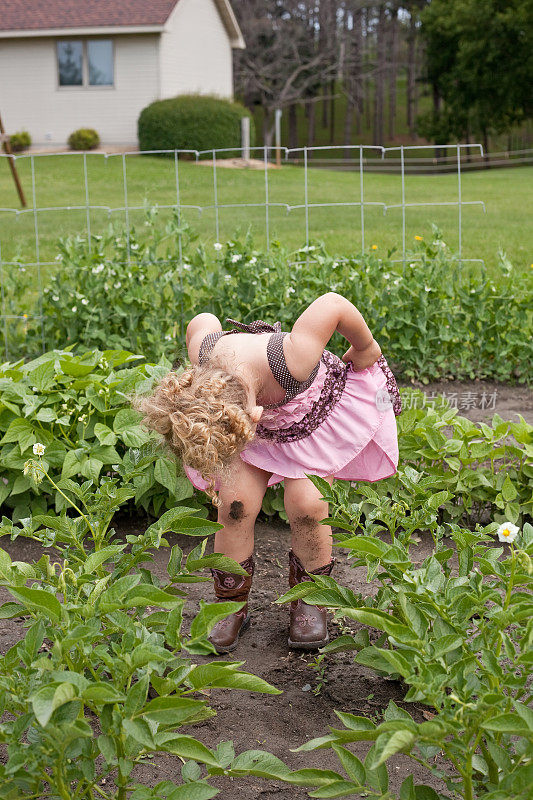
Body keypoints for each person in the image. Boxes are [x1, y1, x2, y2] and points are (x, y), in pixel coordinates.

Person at [134, 292, 401, 654]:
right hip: (252, 425)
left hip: (309, 420)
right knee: (235, 505)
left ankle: (311, 598)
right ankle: (229, 603)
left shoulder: (292, 359)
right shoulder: (206, 356)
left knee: (308, 505)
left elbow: (333, 304)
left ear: (251, 415)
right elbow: (201, 322)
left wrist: (366, 347)